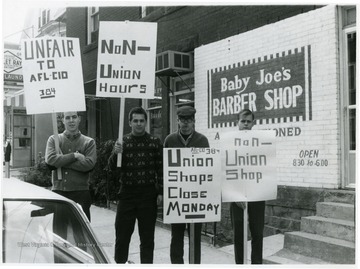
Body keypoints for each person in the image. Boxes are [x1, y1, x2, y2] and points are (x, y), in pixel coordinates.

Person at [108, 107, 163, 264]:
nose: (139, 124)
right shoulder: (122, 142)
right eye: (135, 121)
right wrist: (114, 153)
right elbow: (111, 169)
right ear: (130, 123)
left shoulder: (154, 142)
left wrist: (161, 192)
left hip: (148, 196)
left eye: (142, 121)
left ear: (146, 122)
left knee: (147, 239)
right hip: (127, 195)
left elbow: (161, 168)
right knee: (122, 237)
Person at [163, 105, 210, 264]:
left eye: (188, 120)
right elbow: (165, 169)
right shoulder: (170, 140)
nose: (185, 123)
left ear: (194, 122)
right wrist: (163, 192)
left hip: (195, 198)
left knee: (195, 237)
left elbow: (207, 168)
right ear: (177, 121)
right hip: (177, 197)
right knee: (176, 236)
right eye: (182, 120)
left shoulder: (202, 140)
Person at [45, 111, 96, 221]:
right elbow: (50, 160)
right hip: (59, 192)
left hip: (81, 193)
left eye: (74, 117)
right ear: (63, 120)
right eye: (67, 118)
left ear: (79, 119)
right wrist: (74, 156)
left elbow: (89, 165)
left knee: (81, 235)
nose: (71, 120)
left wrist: (61, 162)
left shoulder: (89, 142)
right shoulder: (54, 139)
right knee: (59, 233)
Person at [230, 109, 265, 264]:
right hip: (236, 196)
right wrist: (235, 194)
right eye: (242, 121)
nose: (245, 124)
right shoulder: (229, 143)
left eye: (248, 121)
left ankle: (256, 264)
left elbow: (266, 168)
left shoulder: (261, 143)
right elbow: (225, 172)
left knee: (257, 233)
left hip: (257, 194)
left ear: (253, 123)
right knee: (238, 235)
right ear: (237, 123)